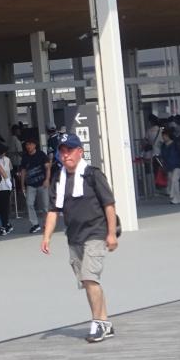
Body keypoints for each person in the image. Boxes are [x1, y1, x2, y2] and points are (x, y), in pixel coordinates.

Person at [40, 132, 119, 344]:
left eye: (70, 150)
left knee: (90, 278)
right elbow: (53, 210)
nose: (65, 155)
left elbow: (109, 204)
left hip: (95, 232)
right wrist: (46, 237)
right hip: (74, 236)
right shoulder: (59, 178)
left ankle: (98, 323)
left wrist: (111, 233)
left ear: (80, 152)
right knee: (88, 281)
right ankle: (105, 322)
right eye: (62, 151)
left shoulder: (92, 175)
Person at [17, 135, 51, 234]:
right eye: (27, 144)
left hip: (42, 183)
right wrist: (22, 185)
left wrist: (47, 179)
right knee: (29, 203)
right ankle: (35, 224)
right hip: (30, 185)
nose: (28, 146)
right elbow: (23, 171)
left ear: (35, 145)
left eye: (30, 144)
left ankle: (47, 223)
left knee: (45, 206)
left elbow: (48, 167)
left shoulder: (41, 154)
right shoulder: (25, 157)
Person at [0, 142, 14, 235]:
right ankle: (6, 224)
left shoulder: (7, 159)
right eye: (3, 151)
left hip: (6, 187)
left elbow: (11, 171)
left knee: (5, 207)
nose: (5, 153)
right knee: (0, 208)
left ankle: (4, 226)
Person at [161, 127, 180, 205]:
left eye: (165, 136)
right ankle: (178, 197)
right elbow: (163, 156)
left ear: (169, 136)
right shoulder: (163, 145)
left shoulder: (175, 144)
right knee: (172, 181)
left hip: (177, 164)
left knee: (174, 180)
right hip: (169, 165)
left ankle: (175, 197)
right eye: (163, 136)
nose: (163, 137)